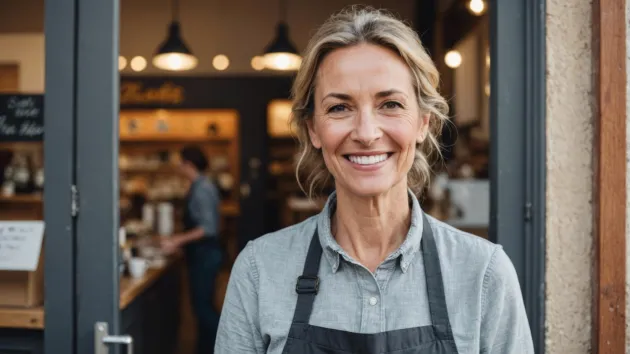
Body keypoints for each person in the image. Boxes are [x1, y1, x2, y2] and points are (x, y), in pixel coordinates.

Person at [215, 6, 534, 354]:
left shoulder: (483, 273)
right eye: (340, 107)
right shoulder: (260, 270)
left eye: (391, 104)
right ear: (313, 129)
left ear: (423, 123)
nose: (366, 133)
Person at [161, 145, 223, 354]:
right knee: (201, 307)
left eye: (180, 162)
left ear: (188, 164)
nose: (178, 166)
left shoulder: (202, 188)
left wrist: (177, 240)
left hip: (205, 255)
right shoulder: (200, 185)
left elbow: (208, 228)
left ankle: (225, 347)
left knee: (203, 309)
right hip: (203, 254)